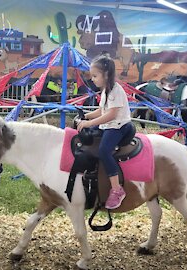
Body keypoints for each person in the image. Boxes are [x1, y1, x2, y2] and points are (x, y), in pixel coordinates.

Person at [76, 54, 133, 209]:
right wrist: (85, 116)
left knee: (104, 151)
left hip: (119, 127)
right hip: (109, 124)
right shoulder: (105, 91)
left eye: (95, 76)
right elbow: (101, 110)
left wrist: (89, 123)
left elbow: (111, 114)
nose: (92, 79)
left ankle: (117, 189)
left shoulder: (116, 90)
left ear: (106, 75)